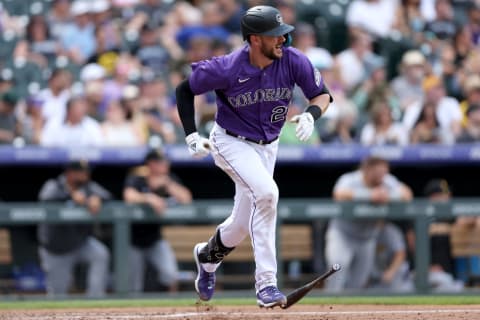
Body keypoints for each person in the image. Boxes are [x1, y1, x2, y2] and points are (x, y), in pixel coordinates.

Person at [175, 5, 332, 307]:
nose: (282, 41)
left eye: (283, 35)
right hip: (230, 142)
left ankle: (207, 258)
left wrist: (312, 115)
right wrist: (191, 134)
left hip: (267, 146)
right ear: (255, 40)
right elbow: (185, 89)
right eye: (275, 36)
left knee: (241, 224)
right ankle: (266, 285)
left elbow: (321, 94)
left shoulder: (293, 60)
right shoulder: (227, 67)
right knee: (267, 193)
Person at [325, 156, 413, 292]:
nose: (381, 176)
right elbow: (338, 194)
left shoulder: (387, 181)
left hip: (367, 238)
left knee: (358, 283)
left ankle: (346, 312)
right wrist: (369, 195)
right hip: (343, 234)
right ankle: (327, 307)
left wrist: (388, 196)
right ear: (366, 170)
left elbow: (407, 194)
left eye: (384, 172)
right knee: (337, 267)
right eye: (377, 173)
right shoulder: (350, 179)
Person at [37, 160, 111, 297]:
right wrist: (69, 196)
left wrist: (97, 198)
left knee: (100, 254)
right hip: (56, 249)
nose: (85, 175)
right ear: (70, 173)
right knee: (57, 295)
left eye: (86, 172)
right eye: (81, 172)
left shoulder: (88, 187)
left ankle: (95, 297)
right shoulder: (55, 185)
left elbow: (107, 195)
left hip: (80, 243)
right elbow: (46, 199)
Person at [123, 149, 192, 293]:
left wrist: (168, 185)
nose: (165, 165)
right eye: (160, 162)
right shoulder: (137, 177)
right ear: (150, 164)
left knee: (171, 274)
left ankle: (170, 307)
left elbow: (186, 198)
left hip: (155, 238)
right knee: (133, 286)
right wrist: (149, 197)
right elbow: (128, 196)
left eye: (165, 161)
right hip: (133, 239)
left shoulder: (168, 179)